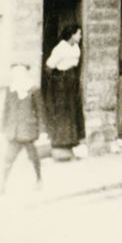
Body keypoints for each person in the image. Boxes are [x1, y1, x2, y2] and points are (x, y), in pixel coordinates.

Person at [43, 24, 85, 160]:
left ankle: (72, 141)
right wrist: (57, 80)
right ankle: (61, 142)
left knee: (73, 110)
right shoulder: (60, 48)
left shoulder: (76, 48)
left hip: (72, 81)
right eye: (78, 34)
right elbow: (49, 67)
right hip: (62, 83)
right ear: (72, 34)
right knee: (63, 111)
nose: (80, 36)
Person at [1, 63, 44, 193]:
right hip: (14, 130)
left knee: (33, 157)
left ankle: (38, 179)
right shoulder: (11, 89)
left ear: (25, 74)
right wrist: (3, 128)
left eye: (20, 73)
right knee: (8, 159)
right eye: (15, 73)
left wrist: (41, 130)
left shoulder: (33, 89)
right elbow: (6, 110)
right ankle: (2, 185)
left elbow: (40, 110)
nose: (17, 76)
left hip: (28, 130)